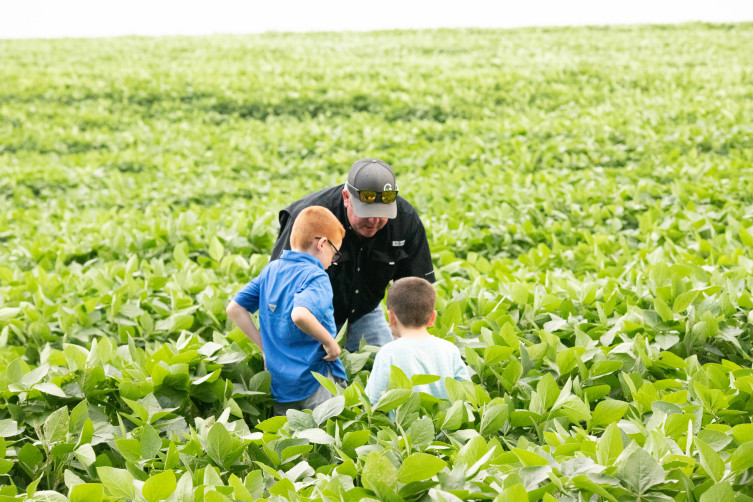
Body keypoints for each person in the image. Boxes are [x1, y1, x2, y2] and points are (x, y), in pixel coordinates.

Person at [271, 158, 435, 353]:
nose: (374, 221)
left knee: (389, 365)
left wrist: (411, 343)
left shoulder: (405, 221)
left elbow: (414, 293)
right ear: (346, 197)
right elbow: (278, 287)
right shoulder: (310, 218)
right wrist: (274, 347)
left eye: (382, 213)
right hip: (311, 315)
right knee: (318, 379)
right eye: (367, 212)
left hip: (364, 312)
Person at [226, 206, 348, 416]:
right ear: (322, 244)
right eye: (334, 253)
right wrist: (330, 343)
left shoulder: (271, 270)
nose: (332, 261)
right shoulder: (316, 276)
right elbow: (300, 314)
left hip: (281, 384)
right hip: (316, 379)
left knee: (288, 442)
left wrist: (265, 348)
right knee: (325, 439)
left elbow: (235, 308)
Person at [364, 277, 470, 404]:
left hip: (402, 424)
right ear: (433, 318)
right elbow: (466, 393)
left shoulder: (388, 352)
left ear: (391, 317)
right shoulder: (450, 349)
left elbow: (373, 400)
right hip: (445, 423)